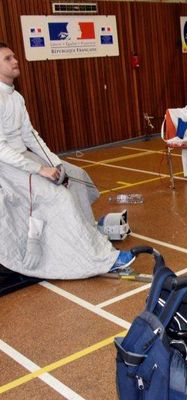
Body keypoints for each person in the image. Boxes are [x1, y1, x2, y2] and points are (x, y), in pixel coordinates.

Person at [0, 42, 134, 279]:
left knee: (77, 177)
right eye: (8, 59)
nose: (15, 61)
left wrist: (55, 163)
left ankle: (88, 232)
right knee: (58, 196)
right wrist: (40, 169)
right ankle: (101, 258)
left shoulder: (16, 97)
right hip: (7, 168)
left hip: (24, 158)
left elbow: (30, 135)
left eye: (13, 56)